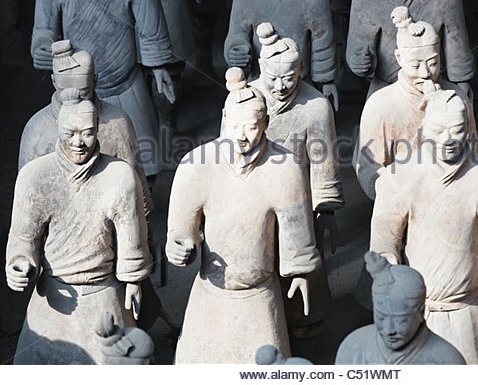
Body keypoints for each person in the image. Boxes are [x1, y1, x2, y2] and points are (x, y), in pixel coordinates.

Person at [165, 69, 321, 363]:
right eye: (234, 126)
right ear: (224, 120)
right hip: (210, 294)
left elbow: (297, 232)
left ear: (266, 122)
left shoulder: (285, 167)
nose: (241, 136)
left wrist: (299, 272)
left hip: (260, 296)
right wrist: (179, 247)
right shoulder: (196, 165)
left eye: (250, 127)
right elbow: (180, 231)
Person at [370, 90, 478, 364]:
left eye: (458, 129)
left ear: (469, 128)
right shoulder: (401, 175)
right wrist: (389, 272)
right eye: (439, 130)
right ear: (425, 127)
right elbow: (383, 240)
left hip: (470, 310)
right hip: (418, 310)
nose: (448, 139)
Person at [6, 91, 150, 364]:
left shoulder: (120, 176)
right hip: (54, 297)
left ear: (97, 130)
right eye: (70, 133)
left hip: (104, 293)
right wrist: (20, 263)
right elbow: (23, 238)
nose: (79, 143)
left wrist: (133, 279)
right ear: (58, 129)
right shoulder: (35, 176)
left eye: (87, 133)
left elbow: (132, 239)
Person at [32, 0, 177, 176]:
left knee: (144, 164)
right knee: (74, 164)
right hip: (75, 92)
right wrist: (43, 48)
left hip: (127, 84)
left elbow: (150, 28)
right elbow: (44, 32)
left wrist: (159, 67)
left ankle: (143, 210)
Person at [249, 23, 344, 351]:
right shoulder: (246, 99)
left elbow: (324, 163)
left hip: (300, 202)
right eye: (272, 78)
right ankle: (263, 321)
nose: (279, 86)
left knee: (304, 263)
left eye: (289, 77)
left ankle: (305, 324)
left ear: (301, 70)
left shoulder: (315, 106)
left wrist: (327, 211)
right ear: (261, 69)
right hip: (256, 199)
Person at [354, 6, 476, 200]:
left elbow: (472, 154)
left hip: (453, 200)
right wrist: (396, 196)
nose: (426, 73)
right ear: (399, 58)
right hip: (403, 200)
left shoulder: (457, 97)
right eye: (415, 65)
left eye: (433, 62)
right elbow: (369, 169)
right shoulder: (381, 104)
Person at [19, 40, 152, 215]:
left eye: (83, 92)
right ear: (53, 82)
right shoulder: (37, 130)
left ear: (95, 81)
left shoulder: (116, 122)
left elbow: (136, 189)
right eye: (64, 92)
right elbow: (25, 202)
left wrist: (144, 236)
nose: (73, 98)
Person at [347, 0, 474, 99]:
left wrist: (463, 83)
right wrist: (360, 62)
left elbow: (457, 44)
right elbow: (358, 49)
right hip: (385, 89)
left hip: (433, 87)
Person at [224, 0, 339, 110]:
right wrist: (235, 53)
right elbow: (237, 34)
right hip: (258, 84)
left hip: (302, 86)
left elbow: (322, 40)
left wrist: (327, 81)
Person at [336, 252, 465, 365]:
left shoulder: (447, 362)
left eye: (400, 321)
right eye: (381, 317)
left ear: (421, 312)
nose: (388, 330)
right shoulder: (353, 347)